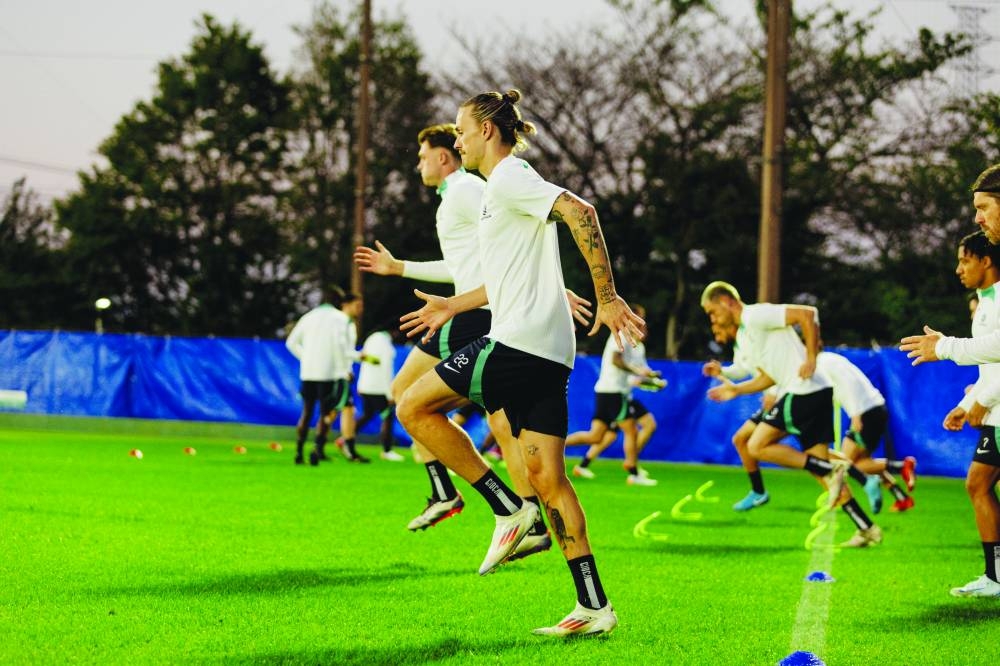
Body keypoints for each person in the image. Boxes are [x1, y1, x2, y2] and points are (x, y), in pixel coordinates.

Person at [396, 89, 645, 636]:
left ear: (486, 129)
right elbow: (510, 274)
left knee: (412, 407)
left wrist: (607, 297)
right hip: (549, 354)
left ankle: (507, 509)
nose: (455, 139)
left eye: (460, 130)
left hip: (519, 344)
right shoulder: (498, 191)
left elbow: (582, 212)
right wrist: (454, 304)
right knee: (549, 478)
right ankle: (594, 607)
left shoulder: (509, 176)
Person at [354, 123, 559, 554]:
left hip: (473, 313)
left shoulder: (465, 189)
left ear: (443, 157)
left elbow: (518, 233)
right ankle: (529, 516)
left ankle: (457, 495)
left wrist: (549, 281)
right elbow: (460, 263)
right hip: (482, 309)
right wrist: (400, 268)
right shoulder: (457, 196)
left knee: (405, 394)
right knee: (501, 423)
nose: (419, 163)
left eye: (423, 154)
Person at [701, 281, 883, 548]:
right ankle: (867, 528)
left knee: (756, 444)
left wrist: (811, 357)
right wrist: (735, 390)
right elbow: (767, 377)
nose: (713, 319)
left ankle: (835, 468)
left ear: (727, 301)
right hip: (813, 391)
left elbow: (807, 314)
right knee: (824, 477)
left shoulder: (755, 314)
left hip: (803, 390)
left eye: (712, 311)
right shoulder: (745, 335)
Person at [903, 212, 1000, 596]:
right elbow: (991, 363)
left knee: (978, 484)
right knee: (978, 484)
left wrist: (983, 400)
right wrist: (971, 401)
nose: (958, 268)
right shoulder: (986, 301)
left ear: (986, 261)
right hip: (995, 411)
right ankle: (994, 577)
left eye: (964, 259)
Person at [569, 304, 661, 486]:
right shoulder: (620, 334)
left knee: (595, 436)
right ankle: (634, 473)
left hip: (610, 392)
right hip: (614, 392)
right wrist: (640, 373)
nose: (642, 323)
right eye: (638, 318)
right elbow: (616, 360)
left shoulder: (636, 345)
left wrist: (652, 380)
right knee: (631, 430)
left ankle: (553, 446)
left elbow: (639, 373)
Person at [817, 350, 916, 513]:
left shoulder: (824, 363)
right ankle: (901, 497)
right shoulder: (831, 360)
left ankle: (901, 466)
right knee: (863, 462)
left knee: (847, 463)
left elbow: (849, 383)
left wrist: (856, 414)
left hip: (865, 413)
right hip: (872, 410)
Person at [284, 286, 355, 466]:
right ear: (339, 302)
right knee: (326, 413)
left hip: (308, 372)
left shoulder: (308, 317)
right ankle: (317, 450)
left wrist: (306, 358)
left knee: (306, 412)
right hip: (330, 373)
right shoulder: (340, 319)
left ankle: (299, 452)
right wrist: (343, 370)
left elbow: (291, 343)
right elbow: (340, 345)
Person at [355, 326, 403, 462]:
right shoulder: (385, 343)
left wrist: (360, 384)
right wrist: (389, 393)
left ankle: (345, 440)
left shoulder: (371, 339)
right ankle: (387, 451)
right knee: (388, 417)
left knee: (367, 415)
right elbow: (386, 369)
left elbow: (366, 361)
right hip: (378, 388)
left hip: (365, 387)